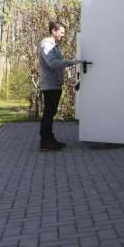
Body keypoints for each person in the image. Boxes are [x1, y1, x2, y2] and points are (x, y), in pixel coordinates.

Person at [38, 21, 83, 151]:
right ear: (54, 31)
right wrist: (71, 62)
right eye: (61, 32)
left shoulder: (53, 46)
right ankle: (45, 141)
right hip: (49, 83)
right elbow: (51, 63)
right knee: (49, 112)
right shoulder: (46, 45)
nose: (63, 35)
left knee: (51, 112)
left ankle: (50, 139)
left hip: (54, 83)